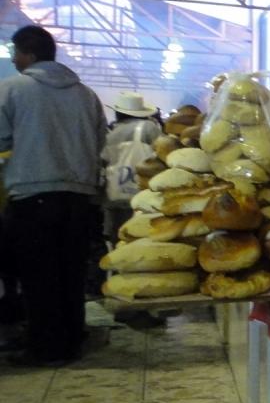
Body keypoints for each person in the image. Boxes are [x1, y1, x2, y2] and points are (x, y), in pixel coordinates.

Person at [0, 25, 107, 366]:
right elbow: (100, 142)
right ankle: (72, 339)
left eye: (15, 52)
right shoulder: (87, 95)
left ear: (29, 54)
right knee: (71, 273)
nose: (14, 59)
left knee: (38, 275)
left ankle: (47, 348)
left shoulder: (12, 89)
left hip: (33, 195)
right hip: (79, 198)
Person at [101, 91, 162, 241]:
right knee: (141, 236)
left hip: (114, 194)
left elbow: (103, 160)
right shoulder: (148, 127)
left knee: (119, 236)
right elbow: (162, 153)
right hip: (141, 193)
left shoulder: (110, 133)